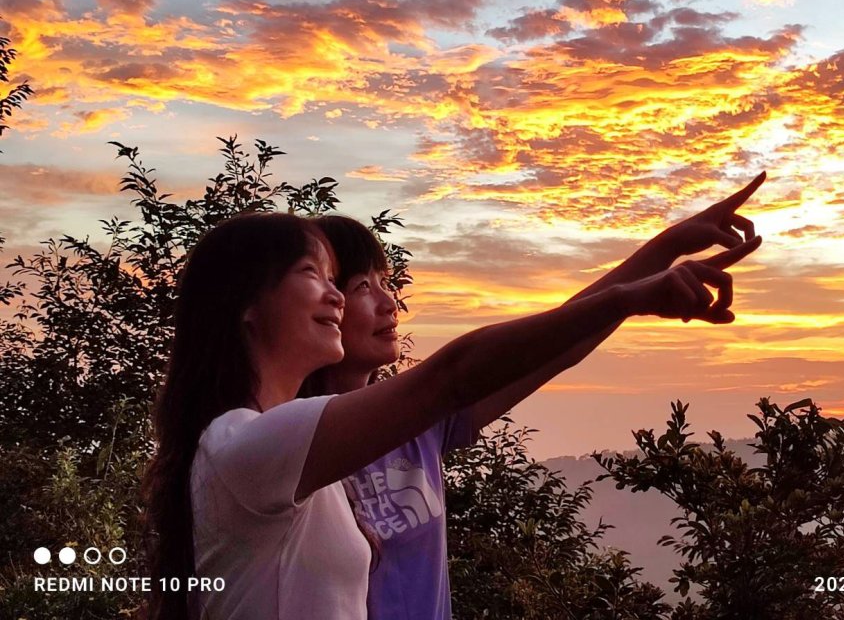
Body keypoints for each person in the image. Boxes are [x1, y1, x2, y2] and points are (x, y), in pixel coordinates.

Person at [145, 174, 762, 620]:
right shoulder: (249, 444)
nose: (342, 297)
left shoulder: (298, 457)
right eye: (321, 278)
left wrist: (663, 251)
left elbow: (548, 344)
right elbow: (455, 374)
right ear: (246, 309)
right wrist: (633, 295)